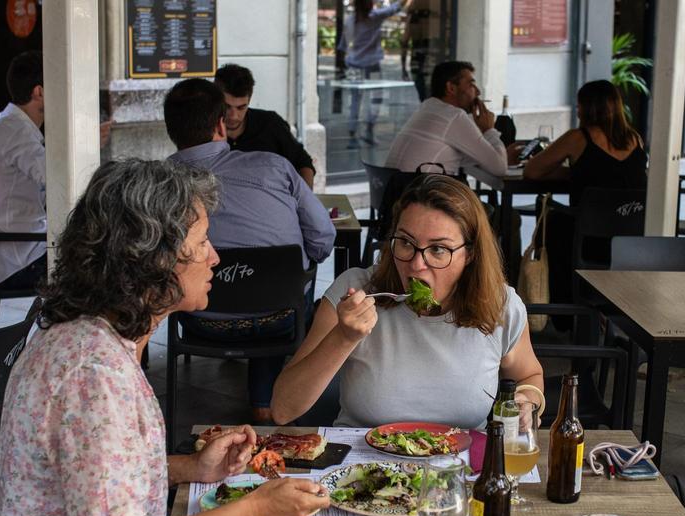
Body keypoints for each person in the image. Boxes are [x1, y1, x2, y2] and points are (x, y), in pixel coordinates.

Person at [0, 158, 330, 516]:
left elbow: (94, 479)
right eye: (202, 242)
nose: (216, 256)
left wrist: (192, 470)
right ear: (152, 260)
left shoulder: (97, 341)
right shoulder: (91, 371)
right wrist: (255, 510)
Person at [270, 174, 544, 431]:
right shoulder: (356, 291)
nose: (415, 264)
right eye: (405, 243)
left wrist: (528, 401)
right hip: (361, 470)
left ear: (470, 254)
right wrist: (343, 336)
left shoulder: (500, 305)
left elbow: (529, 376)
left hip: (461, 471)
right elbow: (283, 409)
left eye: (438, 249)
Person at [165, 78, 334, 424]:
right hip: (281, 319)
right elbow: (322, 238)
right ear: (220, 124)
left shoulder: (157, 185)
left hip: (198, 320)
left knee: (256, 285)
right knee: (285, 281)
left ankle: (264, 397)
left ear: (171, 131)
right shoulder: (274, 166)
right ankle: (267, 399)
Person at [0, 50, 112, 290]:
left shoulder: (5, 123)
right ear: (40, 92)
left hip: (16, 249)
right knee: (106, 261)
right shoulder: (16, 133)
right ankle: (77, 327)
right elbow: (61, 181)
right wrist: (86, 144)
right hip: (21, 259)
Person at [522, 80, 647, 303]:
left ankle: (563, 307)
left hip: (587, 236)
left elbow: (532, 171)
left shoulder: (578, 138)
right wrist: (577, 173)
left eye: (579, 105)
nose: (577, 110)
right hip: (630, 235)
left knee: (552, 222)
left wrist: (573, 172)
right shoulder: (635, 139)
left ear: (588, 107)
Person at [384, 61, 511, 177]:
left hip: (399, 195)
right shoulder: (453, 116)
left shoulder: (428, 108)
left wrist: (501, 154)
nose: (478, 92)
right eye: (471, 85)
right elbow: (499, 169)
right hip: (421, 198)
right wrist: (489, 130)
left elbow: (462, 156)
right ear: (451, 88)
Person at [214, 63, 317, 188]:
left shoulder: (270, 124)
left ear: (249, 100)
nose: (234, 116)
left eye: (241, 107)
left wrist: (305, 203)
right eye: (227, 107)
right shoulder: (203, 130)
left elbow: (303, 162)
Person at [344, 0, 414, 147]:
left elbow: (342, 44)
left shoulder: (350, 20)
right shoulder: (375, 16)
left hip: (354, 65)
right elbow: (395, 8)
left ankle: (352, 136)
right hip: (372, 65)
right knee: (376, 98)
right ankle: (369, 129)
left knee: (355, 100)